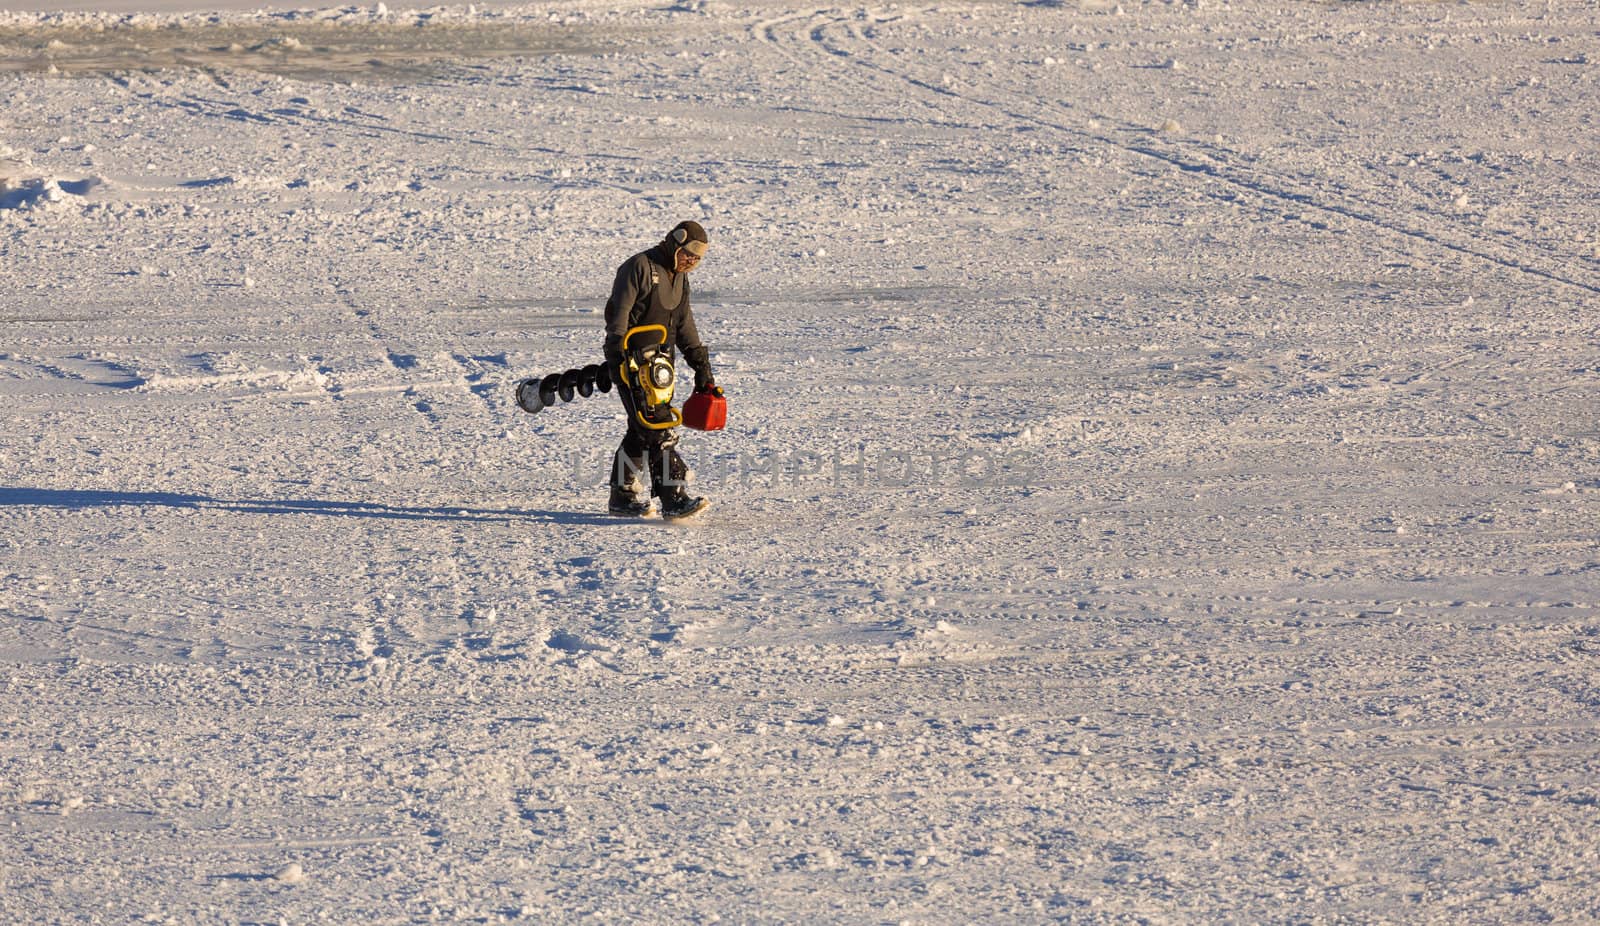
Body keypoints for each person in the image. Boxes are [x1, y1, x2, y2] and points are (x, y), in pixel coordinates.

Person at [603, 220, 718, 519]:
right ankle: (673, 497)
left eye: (697, 259)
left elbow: (684, 326)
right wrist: (616, 353)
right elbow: (619, 312)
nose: (691, 262)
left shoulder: (681, 280)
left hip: (661, 370)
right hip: (632, 363)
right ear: (675, 243)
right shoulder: (639, 267)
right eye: (688, 255)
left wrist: (701, 366)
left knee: (640, 430)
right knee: (656, 428)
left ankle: (622, 496)